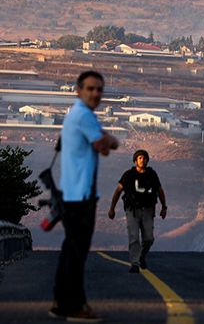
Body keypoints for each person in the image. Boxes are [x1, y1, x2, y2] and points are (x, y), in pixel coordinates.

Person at [50, 71, 118, 323]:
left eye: (99, 89)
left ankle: (60, 301)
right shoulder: (84, 116)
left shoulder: (73, 115)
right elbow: (106, 147)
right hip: (81, 195)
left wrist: (105, 143)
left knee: (70, 249)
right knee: (77, 253)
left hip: (72, 192)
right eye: (90, 88)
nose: (95, 94)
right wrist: (110, 139)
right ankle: (75, 306)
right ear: (78, 90)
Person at [107, 149, 167, 272]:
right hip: (132, 210)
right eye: (140, 158)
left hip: (148, 210)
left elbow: (160, 191)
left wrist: (164, 207)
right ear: (135, 161)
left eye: (144, 158)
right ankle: (135, 263)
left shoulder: (152, 175)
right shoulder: (128, 175)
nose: (142, 160)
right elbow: (118, 191)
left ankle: (141, 256)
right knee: (134, 237)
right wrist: (112, 209)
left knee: (149, 238)